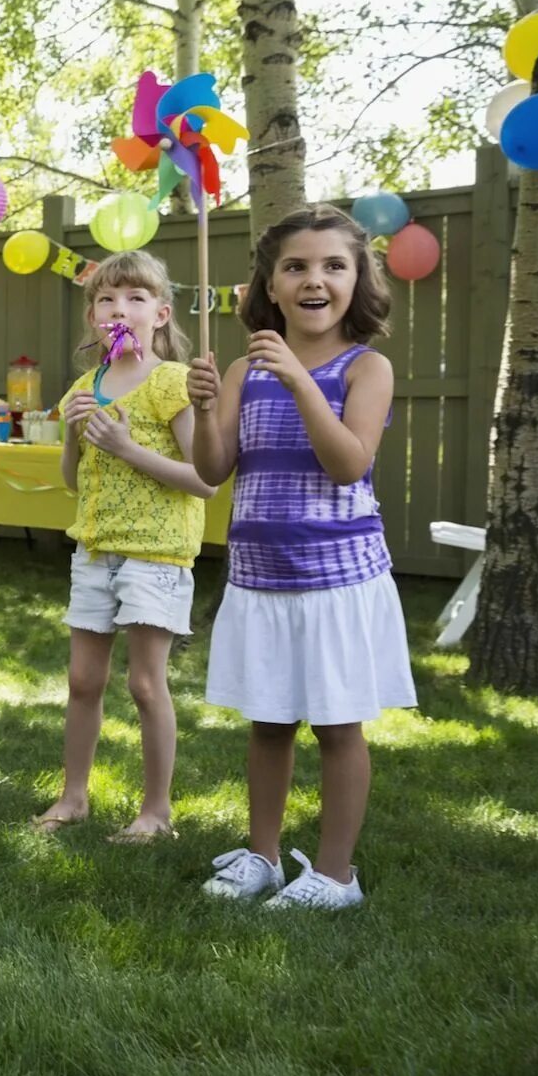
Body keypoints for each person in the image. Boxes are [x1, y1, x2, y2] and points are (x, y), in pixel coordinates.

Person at [189, 204, 413, 909]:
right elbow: (213, 469)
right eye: (296, 266)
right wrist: (202, 412)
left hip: (337, 578)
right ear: (270, 283)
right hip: (260, 576)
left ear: (357, 279)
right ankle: (262, 855)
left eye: (332, 266)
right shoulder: (242, 368)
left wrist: (297, 381)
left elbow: (349, 464)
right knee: (270, 720)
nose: (314, 279)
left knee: (338, 725)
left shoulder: (365, 367)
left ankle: (336, 874)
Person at [34, 250, 215, 843]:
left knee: (144, 684)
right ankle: (73, 797)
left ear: (161, 314)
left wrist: (128, 448)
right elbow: (71, 477)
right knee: (83, 681)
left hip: (155, 554)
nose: (121, 309)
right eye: (108, 299)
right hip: (94, 549)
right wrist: (74, 435)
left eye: (136, 299)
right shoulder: (84, 388)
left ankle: (156, 812)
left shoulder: (171, 383)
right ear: (94, 316)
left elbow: (205, 478)